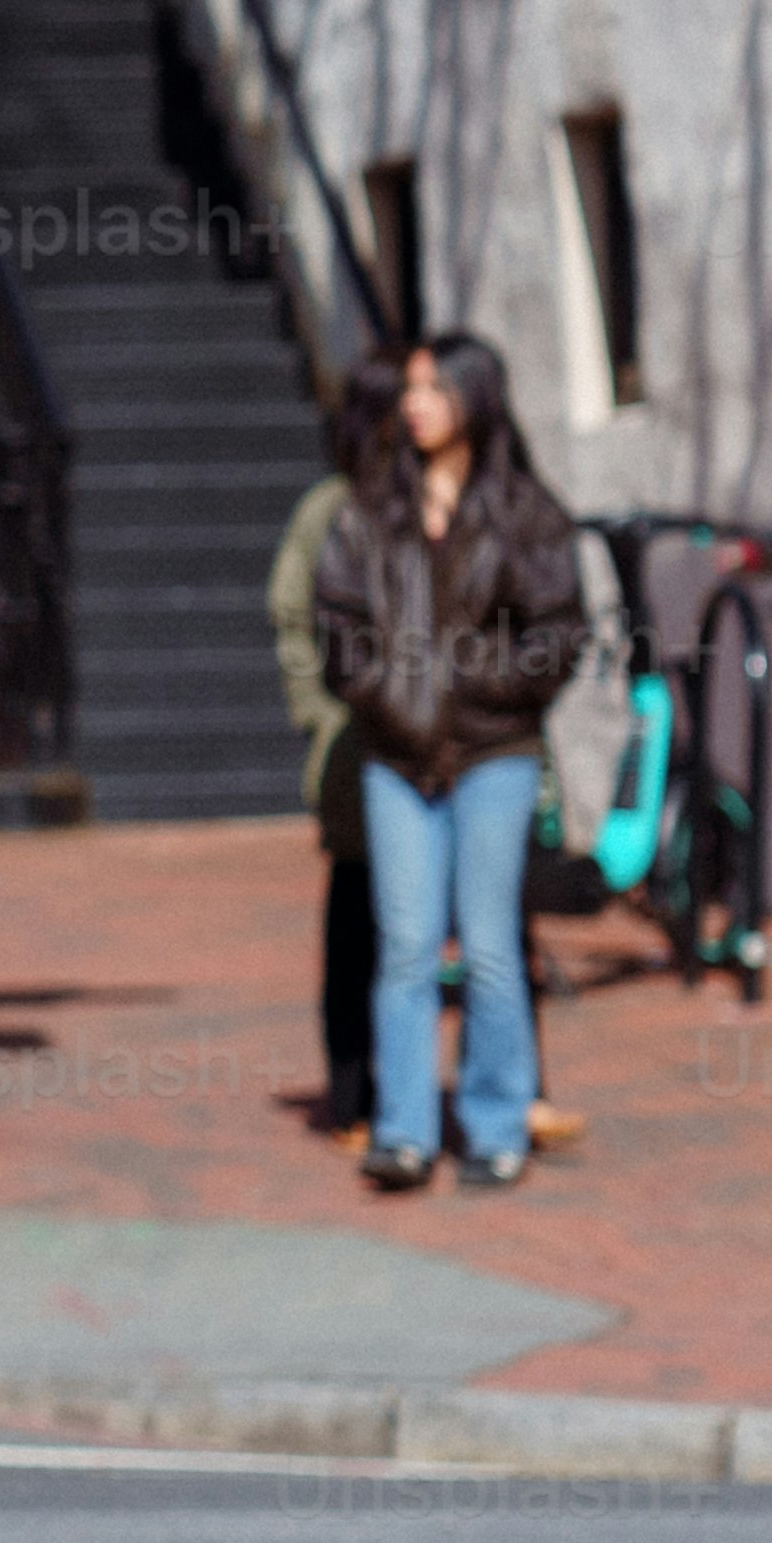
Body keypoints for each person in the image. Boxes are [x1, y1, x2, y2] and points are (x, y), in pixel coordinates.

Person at [316, 328, 592, 1193]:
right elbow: (337, 629)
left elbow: (559, 633)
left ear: (476, 397)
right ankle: (402, 1129)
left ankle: (496, 1120)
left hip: (492, 754)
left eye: (434, 387)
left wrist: (475, 686)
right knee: (403, 945)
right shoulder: (367, 513)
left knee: (489, 946)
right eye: (411, 388)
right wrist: (391, 697)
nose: (415, 402)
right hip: (396, 758)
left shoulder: (525, 514)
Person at [265, 352, 400, 1113]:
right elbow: (290, 613)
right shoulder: (331, 509)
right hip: (355, 746)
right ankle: (352, 1088)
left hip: (436, 747)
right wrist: (317, 716)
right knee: (356, 919)